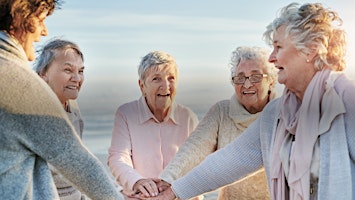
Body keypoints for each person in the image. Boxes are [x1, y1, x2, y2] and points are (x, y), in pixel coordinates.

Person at [150, 2, 355, 200]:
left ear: (310, 50)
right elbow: (229, 161)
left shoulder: (347, 104)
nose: (272, 58)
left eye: (278, 47)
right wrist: (170, 193)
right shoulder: (276, 114)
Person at [0, 1, 122, 199]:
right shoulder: (17, 81)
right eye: (40, 19)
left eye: (81, 71)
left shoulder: (71, 106)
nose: (44, 31)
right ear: (19, 15)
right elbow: (80, 163)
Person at [156, 46, 277, 200]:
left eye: (255, 77)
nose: (247, 85)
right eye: (240, 77)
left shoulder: (281, 115)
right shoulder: (221, 112)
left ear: (271, 81)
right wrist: (166, 180)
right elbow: (194, 148)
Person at [107, 51, 199, 198]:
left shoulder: (187, 117)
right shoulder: (126, 113)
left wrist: (174, 188)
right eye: (157, 79)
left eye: (171, 78)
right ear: (142, 86)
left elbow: (199, 162)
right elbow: (118, 157)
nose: (166, 86)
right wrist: (136, 182)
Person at [33, 39, 87, 199]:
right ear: (43, 74)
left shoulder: (72, 106)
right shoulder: (31, 114)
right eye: (68, 70)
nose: (77, 78)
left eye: (81, 71)